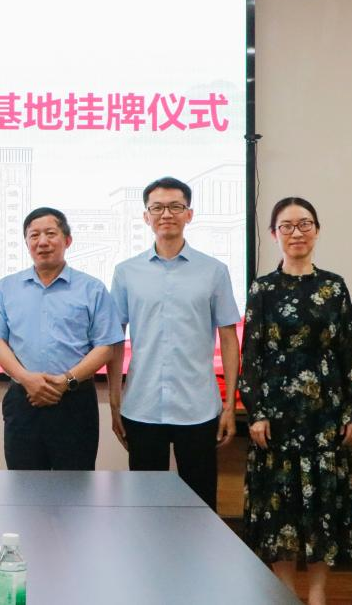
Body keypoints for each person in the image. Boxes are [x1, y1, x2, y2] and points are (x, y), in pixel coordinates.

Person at [238, 197, 352, 605]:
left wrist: (351, 409)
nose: (296, 233)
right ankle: (287, 593)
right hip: (276, 416)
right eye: (287, 226)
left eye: (305, 224)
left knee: (323, 506)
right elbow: (251, 356)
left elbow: (349, 353)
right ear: (274, 234)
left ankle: (319, 592)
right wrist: (256, 412)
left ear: (317, 230)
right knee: (280, 509)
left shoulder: (334, 287)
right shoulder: (263, 289)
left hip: (325, 415)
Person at [106, 175, 241, 508]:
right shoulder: (126, 272)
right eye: (157, 208)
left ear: (189, 214)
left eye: (175, 207)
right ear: (146, 216)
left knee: (200, 504)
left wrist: (229, 406)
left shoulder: (214, 271)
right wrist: (114, 403)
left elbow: (228, 338)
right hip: (142, 406)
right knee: (144, 506)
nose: (166, 214)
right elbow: (113, 340)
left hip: (198, 408)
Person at [0, 207, 124, 470]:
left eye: (50, 233)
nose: (42, 242)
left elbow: (106, 346)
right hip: (23, 399)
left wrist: (66, 381)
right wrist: (27, 379)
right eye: (34, 235)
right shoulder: (8, 286)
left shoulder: (92, 288)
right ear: (27, 242)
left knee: (76, 483)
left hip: (74, 399)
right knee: (24, 484)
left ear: (67, 240)